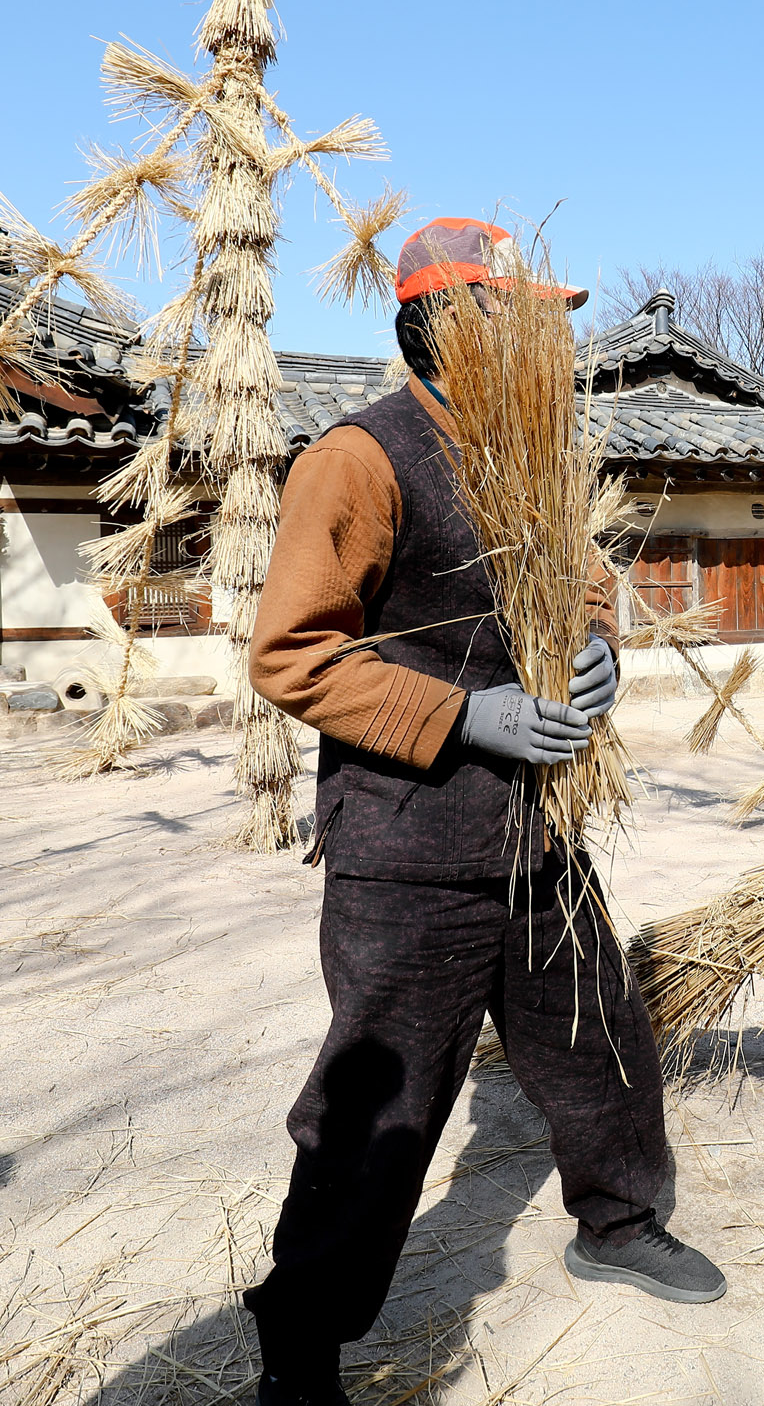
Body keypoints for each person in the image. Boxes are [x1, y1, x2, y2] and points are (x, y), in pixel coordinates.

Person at [244, 219, 723, 1406]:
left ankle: (619, 1223)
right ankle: (301, 1343)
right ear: (444, 326)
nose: (547, 348)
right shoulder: (359, 457)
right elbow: (292, 653)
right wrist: (464, 716)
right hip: (409, 848)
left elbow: (584, 593)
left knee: (600, 1035)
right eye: (520, 322)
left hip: (540, 832)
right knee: (383, 1100)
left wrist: (597, 653)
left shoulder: (530, 456)